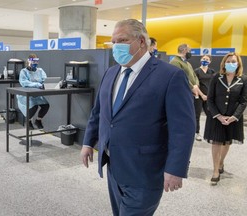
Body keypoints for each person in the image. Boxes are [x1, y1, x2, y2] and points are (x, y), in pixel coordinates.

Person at [80, 19, 195, 216]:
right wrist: (88, 142)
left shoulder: (170, 76)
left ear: (141, 41)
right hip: (114, 166)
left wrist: (176, 168)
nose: (116, 46)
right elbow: (99, 112)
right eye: (113, 42)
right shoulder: (111, 73)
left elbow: (183, 128)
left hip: (145, 172)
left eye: (122, 40)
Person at [204, 52, 247, 185]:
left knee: (227, 142)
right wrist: (218, 115)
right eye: (228, 62)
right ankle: (216, 170)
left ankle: (221, 161)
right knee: (216, 142)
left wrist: (235, 117)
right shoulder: (217, 77)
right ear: (224, 63)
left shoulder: (243, 79)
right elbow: (210, 99)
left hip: (233, 119)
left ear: (238, 63)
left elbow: (243, 101)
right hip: (216, 117)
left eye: (233, 61)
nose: (230, 64)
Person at [17, 54, 49, 129]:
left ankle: (38, 120)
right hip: (26, 95)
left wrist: (46, 84)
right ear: (28, 61)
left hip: (37, 94)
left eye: (36, 62)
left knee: (46, 105)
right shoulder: (23, 71)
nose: (35, 63)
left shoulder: (40, 71)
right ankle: (28, 121)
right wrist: (38, 84)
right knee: (34, 106)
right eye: (33, 62)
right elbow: (24, 82)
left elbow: (45, 80)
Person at [194, 55, 216, 141]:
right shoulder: (196, 71)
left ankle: (211, 133)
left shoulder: (212, 71)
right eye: (203, 59)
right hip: (198, 96)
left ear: (210, 61)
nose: (205, 60)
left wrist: (209, 96)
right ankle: (197, 133)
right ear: (200, 60)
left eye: (207, 59)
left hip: (209, 97)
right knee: (197, 115)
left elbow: (214, 84)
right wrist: (202, 95)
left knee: (210, 114)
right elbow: (195, 84)